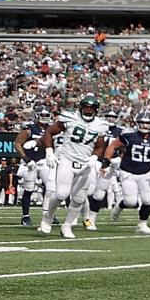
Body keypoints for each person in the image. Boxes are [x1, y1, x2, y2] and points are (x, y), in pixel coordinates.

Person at [39, 96, 111, 240]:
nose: (88, 110)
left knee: (79, 199)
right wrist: (49, 151)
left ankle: (67, 226)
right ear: (81, 107)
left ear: (96, 110)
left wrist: (95, 156)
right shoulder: (70, 117)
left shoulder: (101, 125)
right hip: (67, 159)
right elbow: (49, 132)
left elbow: (100, 145)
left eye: (91, 108)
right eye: (85, 107)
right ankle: (47, 217)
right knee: (61, 194)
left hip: (85, 164)